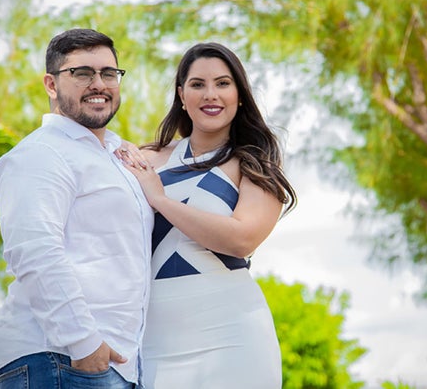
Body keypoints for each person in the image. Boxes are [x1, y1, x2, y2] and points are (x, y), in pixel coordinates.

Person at [122, 42, 297, 389]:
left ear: (240, 95)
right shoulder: (147, 158)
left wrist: (161, 200)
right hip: (154, 342)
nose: (210, 94)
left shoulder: (254, 163)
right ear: (181, 95)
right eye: (197, 84)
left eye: (222, 83)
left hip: (232, 337)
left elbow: (241, 239)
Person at [0, 28, 153, 389]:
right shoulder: (41, 153)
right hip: (60, 358)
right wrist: (83, 344)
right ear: (51, 84)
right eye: (82, 73)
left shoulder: (115, 155)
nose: (99, 84)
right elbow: (34, 250)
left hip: (111, 363)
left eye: (109, 73)